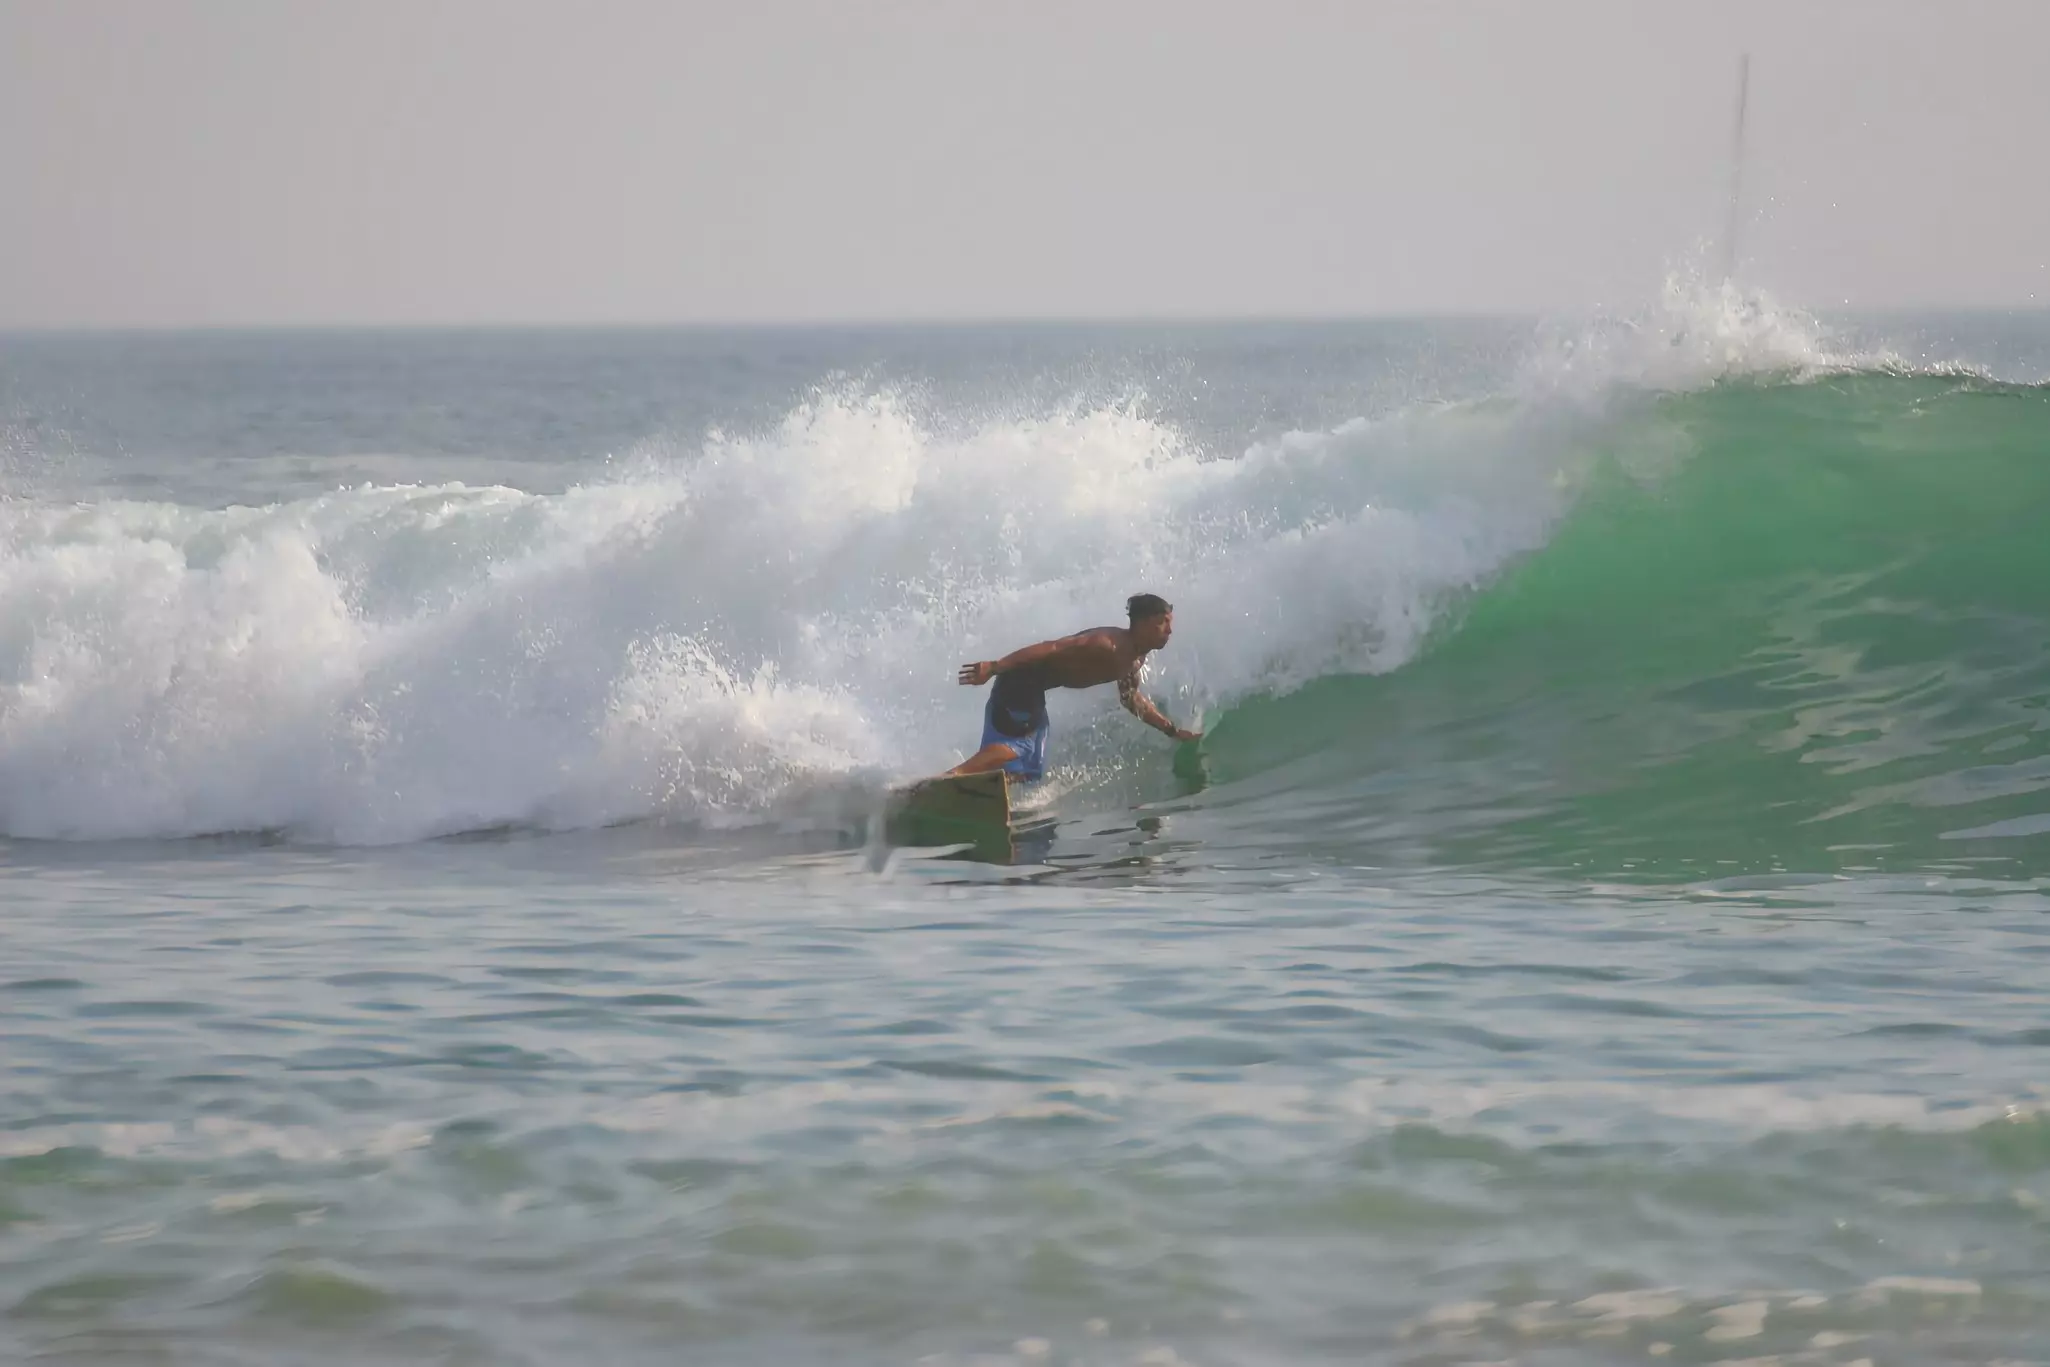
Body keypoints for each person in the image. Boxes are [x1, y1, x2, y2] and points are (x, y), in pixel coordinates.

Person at [948, 593, 1201, 781]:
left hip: (1032, 690)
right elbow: (1053, 647)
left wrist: (1171, 730)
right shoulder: (1107, 644)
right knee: (1023, 747)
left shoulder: (1133, 659)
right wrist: (994, 666)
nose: (1170, 630)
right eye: (1163, 622)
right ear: (1144, 623)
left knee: (1031, 771)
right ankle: (955, 776)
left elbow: (1130, 698)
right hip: (1021, 681)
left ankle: (980, 788)